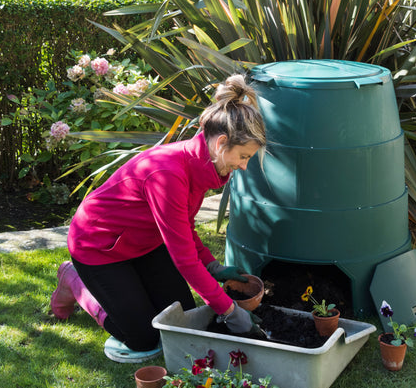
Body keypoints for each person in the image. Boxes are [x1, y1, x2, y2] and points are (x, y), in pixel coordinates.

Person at [50, 74, 266, 362]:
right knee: (143, 337)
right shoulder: (168, 174)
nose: (244, 165)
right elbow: (184, 260)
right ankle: (74, 281)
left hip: (144, 242)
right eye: (243, 156)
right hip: (99, 246)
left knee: (179, 321)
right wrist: (229, 311)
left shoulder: (202, 166)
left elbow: (184, 228)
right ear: (222, 143)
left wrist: (212, 267)